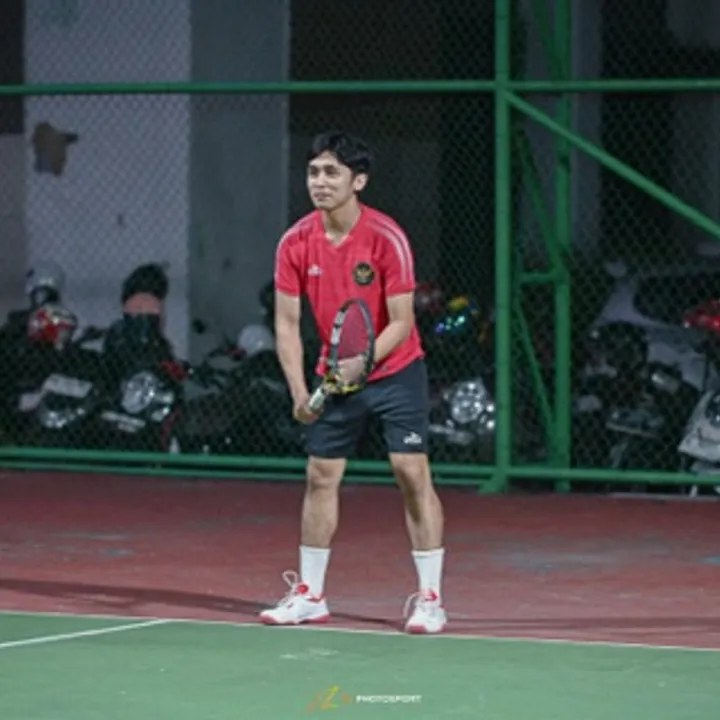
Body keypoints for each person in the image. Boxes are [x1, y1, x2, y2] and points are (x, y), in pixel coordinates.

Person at [259, 131, 447, 634]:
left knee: (411, 472)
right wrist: (300, 392)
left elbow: (402, 322)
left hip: (396, 370)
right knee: (321, 475)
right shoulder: (295, 242)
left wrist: (361, 362)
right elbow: (286, 325)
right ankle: (310, 595)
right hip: (334, 374)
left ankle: (430, 599)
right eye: (313, 172)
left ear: (357, 181)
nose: (319, 182)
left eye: (331, 173)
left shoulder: (387, 237)